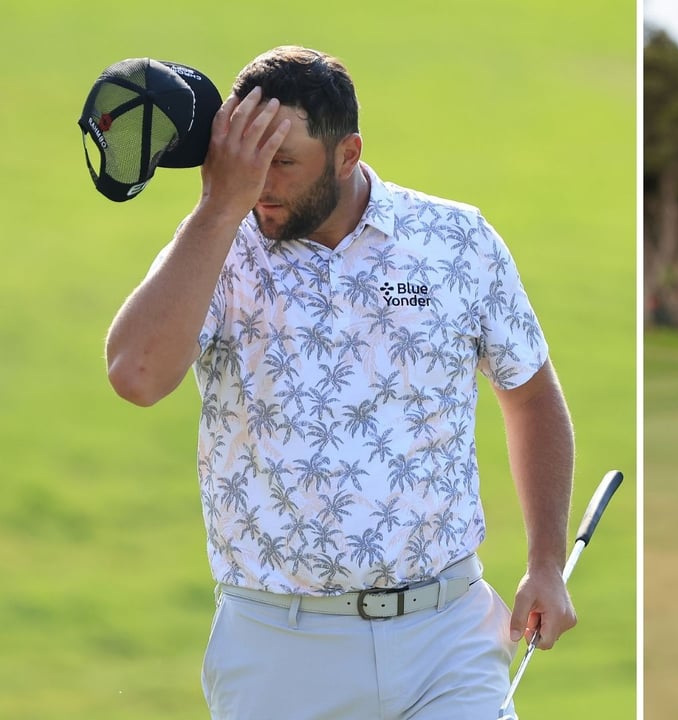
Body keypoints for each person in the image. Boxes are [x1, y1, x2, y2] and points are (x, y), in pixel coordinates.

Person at [104, 46, 576, 719]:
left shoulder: (456, 240)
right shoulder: (218, 245)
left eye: (283, 162)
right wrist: (216, 207)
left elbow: (529, 394)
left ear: (347, 154)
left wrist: (547, 562)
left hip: (448, 636)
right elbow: (137, 376)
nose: (261, 183)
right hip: (278, 650)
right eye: (247, 156)